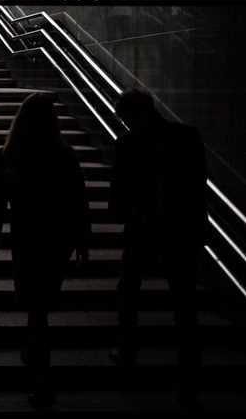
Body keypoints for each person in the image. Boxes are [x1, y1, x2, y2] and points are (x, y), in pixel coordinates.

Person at [0, 93, 90, 408]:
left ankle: (43, 378)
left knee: (36, 304)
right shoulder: (65, 154)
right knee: (41, 302)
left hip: (27, 237)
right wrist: (82, 239)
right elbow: (78, 198)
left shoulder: (8, 154)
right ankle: (34, 351)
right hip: (58, 238)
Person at [108, 89, 206, 407]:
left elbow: (120, 191)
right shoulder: (188, 136)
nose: (125, 124)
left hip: (144, 226)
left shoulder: (127, 143)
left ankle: (127, 350)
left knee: (129, 288)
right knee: (184, 302)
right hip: (184, 229)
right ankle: (189, 376)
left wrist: (122, 214)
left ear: (133, 115)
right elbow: (199, 181)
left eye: (124, 119)